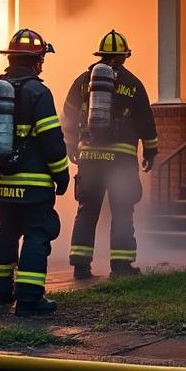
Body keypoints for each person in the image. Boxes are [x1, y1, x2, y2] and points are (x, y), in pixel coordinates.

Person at [0, 29, 70, 316]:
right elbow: (51, 138)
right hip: (33, 186)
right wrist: (61, 174)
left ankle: (0, 294)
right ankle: (29, 299)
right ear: (36, 61)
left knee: (6, 232)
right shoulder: (38, 92)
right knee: (37, 234)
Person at [61, 30, 158, 279]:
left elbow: (69, 116)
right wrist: (150, 150)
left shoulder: (82, 82)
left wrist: (72, 146)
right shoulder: (133, 84)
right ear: (125, 56)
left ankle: (81, 266)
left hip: (90, 160)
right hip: (121, 162)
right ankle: (121, 266)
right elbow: (146, 120)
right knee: (123, 211)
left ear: (100, 55)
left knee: (87, 209)